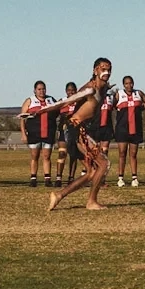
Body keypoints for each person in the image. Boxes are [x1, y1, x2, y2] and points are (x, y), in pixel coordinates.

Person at [43, 57, 115, 212]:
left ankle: (58, 195)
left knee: (92, 172)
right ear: (95, 70)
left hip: (83, 131)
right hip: (76, 131)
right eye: (103, 68)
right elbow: (65, 102)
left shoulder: (103, 88)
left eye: (109, 69)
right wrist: (38, 112)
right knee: (103, 164)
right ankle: (91, 201)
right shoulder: (90, 89)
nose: (106, 71)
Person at [110, 76, 145, 186]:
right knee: (122, 153)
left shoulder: (138, 93)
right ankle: (120, 178)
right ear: (123, 84)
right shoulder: (119, 94)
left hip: (136, 128)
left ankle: (134, 177)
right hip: (122, 129)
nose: (129, 85)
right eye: (126, 83)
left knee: (133, 153)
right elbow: (112, 105)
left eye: (130, 83)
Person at [21, 81, 57, 185]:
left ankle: (47, 178)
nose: (42, 91)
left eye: (43, 89)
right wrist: (23, 133)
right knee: (34, 156)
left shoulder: (51, 100)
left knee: (47, 156)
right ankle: (33, 178)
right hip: (34, 133)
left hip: (48, 133)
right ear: (35, 90)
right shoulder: (30, 101)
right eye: (39, 89)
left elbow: (56, 113)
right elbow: (22, 118)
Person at [59, 81, 85, 185]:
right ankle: (58, 178)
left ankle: (71, 177)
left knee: (74, 155)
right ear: (66, 91)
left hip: (76, 130)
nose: (71, 92)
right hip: (65, 130)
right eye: (69, 90)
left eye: (73, 90)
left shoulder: (79, 102)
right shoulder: (62, 101)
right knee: (62, 153)